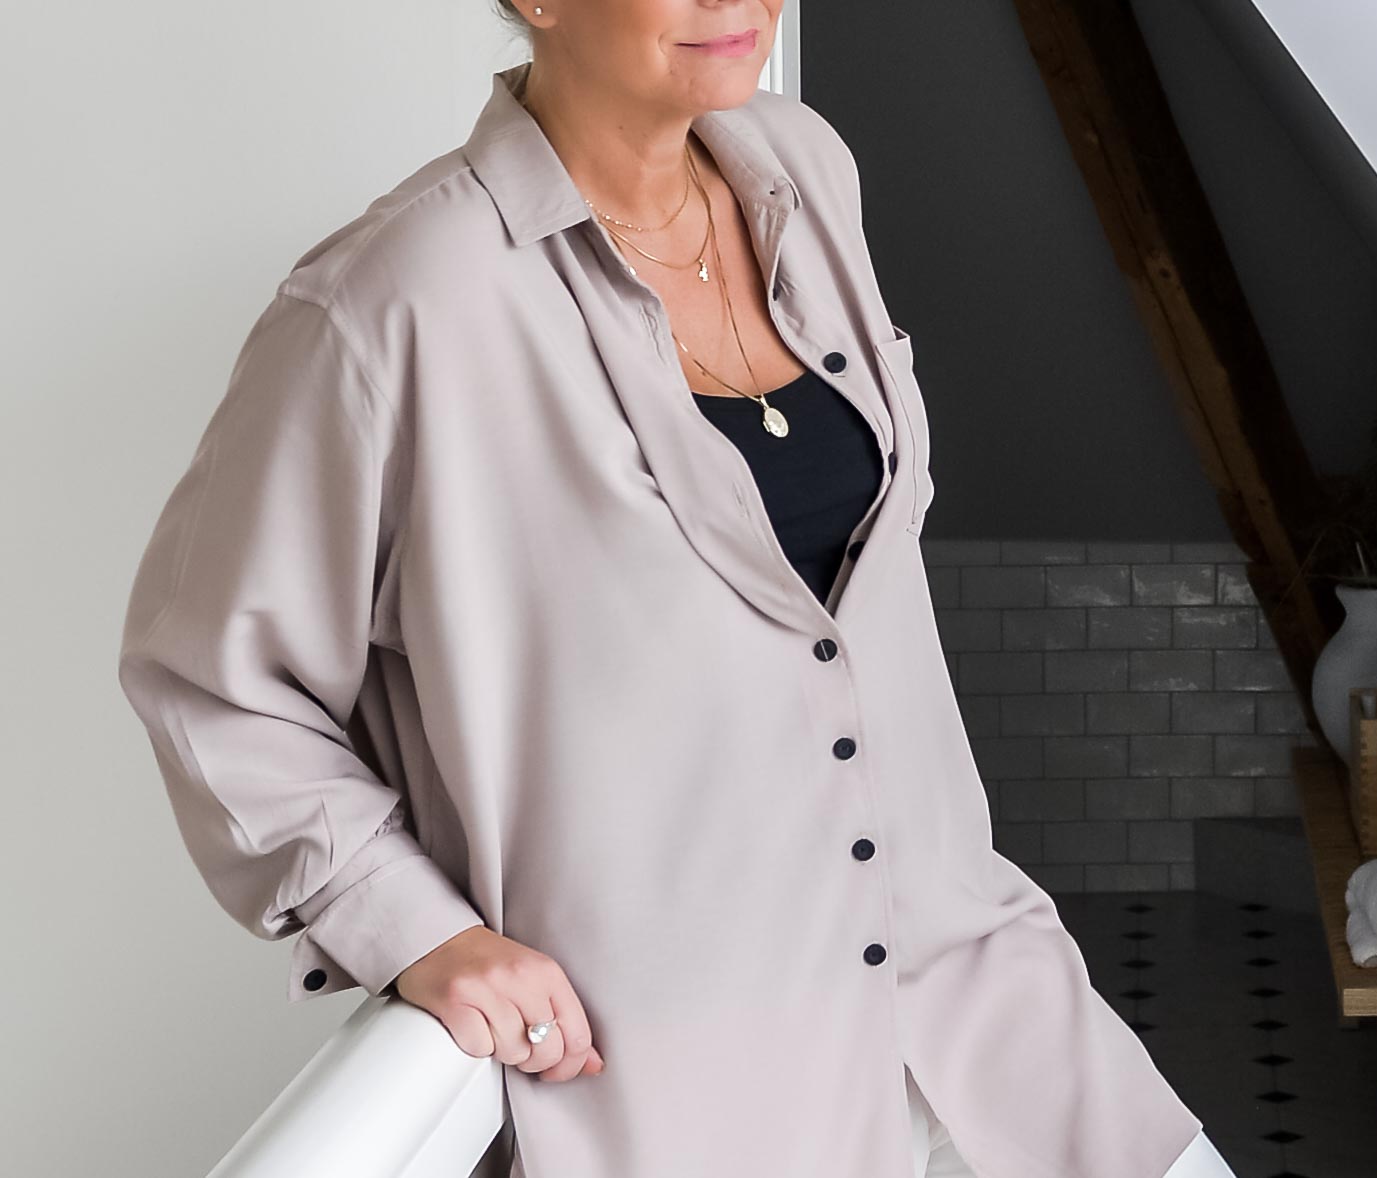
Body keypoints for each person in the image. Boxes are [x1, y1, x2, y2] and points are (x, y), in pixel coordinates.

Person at [116, 2, 1237, 1175]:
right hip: (693, 1082)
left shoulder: (804, 167)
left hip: (984, 1002)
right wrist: (408, 925)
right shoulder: (390, 300)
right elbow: (212, 684)